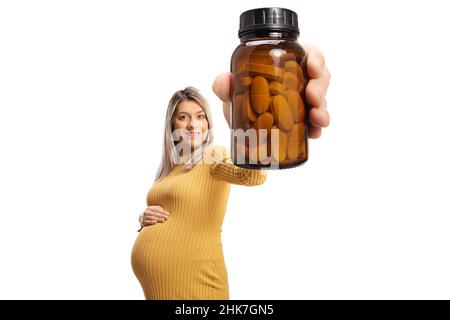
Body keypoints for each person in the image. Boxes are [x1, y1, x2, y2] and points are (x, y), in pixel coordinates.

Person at [131, 45, 331, 299]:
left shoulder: (213, 156)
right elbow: (173, 214)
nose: (193, 124)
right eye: (183, 117)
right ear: (172, 125)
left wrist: (250, 125)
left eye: (200, 116)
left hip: (199, 285)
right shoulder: (170, 168)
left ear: (208, 122)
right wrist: (144, 219)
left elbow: (253, 175)